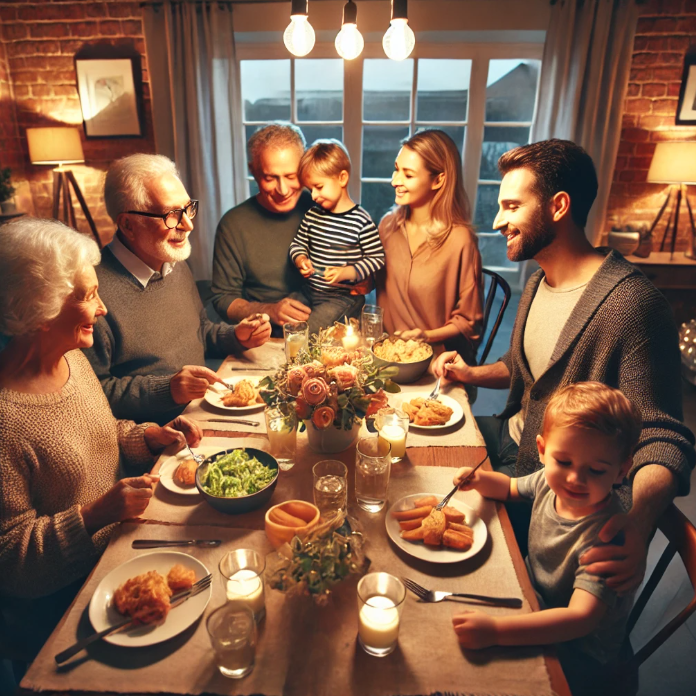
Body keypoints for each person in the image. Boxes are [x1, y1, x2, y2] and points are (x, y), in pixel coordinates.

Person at [432, 139, 695, 590]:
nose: (498, 221)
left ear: (558, 206)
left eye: (512, 206)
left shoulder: (632, 304)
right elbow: (526, 367)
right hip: (510, 440)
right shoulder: (538, 281)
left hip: (550, 484)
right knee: (409, 471)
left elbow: (663, 437)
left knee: (463, 578)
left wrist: (638, 521)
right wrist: (470, 374)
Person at [0, 218, 201, 653]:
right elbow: (10, 559)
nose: (104, 308)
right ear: (40, 309)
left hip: (122, 553)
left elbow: (100, 432)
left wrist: (148, 437)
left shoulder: (71, 362)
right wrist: (93, 515)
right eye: (89, 296)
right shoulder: (5, 419)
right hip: (63, 605)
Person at [451, 382, 641, 696]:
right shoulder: (547, 480)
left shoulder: (608, 538)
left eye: (596, 470)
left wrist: (497, 631)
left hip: (578, 652)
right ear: (542, 450)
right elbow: (510, 488)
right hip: (531, 593)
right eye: (563, 462)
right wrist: (481, 480)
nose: (575, 478)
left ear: (621, 471)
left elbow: (579, 619)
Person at [83, 154, 271, 425]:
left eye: (188, 208)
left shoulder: (172, 260)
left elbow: (200, 330)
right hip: (154, 436)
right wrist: (167, 389)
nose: (188, 225)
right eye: (172, 215)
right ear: (127, 224)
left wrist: (237, 336)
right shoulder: (92, 292)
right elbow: (93, 393)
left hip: (205, 411)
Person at [376, 129, 484, 364]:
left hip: (434, 361)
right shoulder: (387, 226)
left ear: (438, 180)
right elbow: (367, 281)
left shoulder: (460, 240)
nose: (395, 181)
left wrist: (425, 336)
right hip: (384, 357)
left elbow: (469, 323)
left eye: (408, 174)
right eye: (396, 169)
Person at [212, 123, 314, 332]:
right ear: (254, 171)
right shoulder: (233, 225)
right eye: (270, 178)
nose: (283, 189)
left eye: (291, 176)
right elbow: (223, 299)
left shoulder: (325, 208)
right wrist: (268, 310)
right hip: (269, 339)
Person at [289, 139, 385, 334]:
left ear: (342, 178)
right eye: (310, 189)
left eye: (319, 187)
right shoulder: (312, 215)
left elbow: (377, 258)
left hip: (343, 296)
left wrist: (348, 272)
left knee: (311, 331)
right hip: (310, 291)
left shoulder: (361, 221)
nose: (314, 196)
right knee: (288, 323)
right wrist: (300, 258)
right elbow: (297, 244)